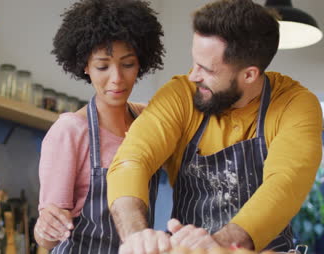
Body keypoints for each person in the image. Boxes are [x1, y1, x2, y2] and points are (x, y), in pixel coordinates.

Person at [107, 0, 323, 253]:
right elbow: (132, 160)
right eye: (194, 62)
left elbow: (284, 185)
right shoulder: (181, 94)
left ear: (249, 75)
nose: (193, 76)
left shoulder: (295, 104)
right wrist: (136, 236)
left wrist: (219, 246)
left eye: (207, 69)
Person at [33, 0, 166, 253]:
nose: (116, 78)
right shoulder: (70, 131)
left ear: (141, 63)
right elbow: (47, 240)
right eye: (103, 66)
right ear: (85, 66)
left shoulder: (147, 121)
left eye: (127, 64)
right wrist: (46, 226)